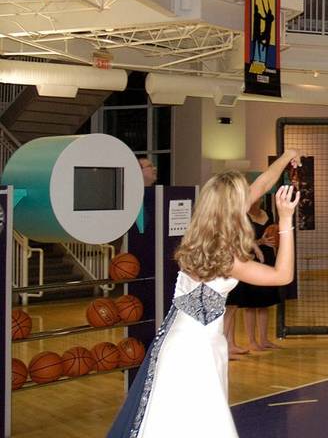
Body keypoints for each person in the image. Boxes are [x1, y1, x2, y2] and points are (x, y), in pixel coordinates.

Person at [107, 150, 301, 438]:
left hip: (184, 340)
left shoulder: (201, 237)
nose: (251, 197)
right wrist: (285, 220)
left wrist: (287, 156)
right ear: (233, 207)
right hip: (194, 350)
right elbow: (282, 276)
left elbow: (260, 185)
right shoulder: (225, 255)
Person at [225, 196, 283, 354]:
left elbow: (274, 235)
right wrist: (260, 243)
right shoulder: (241, 217)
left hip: (267, 258)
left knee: (265, 303)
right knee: (250, 304)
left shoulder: (268, 213)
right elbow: (242, 242)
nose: (255, 201)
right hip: (249, 260)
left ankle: (264, 339)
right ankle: (251, 341)